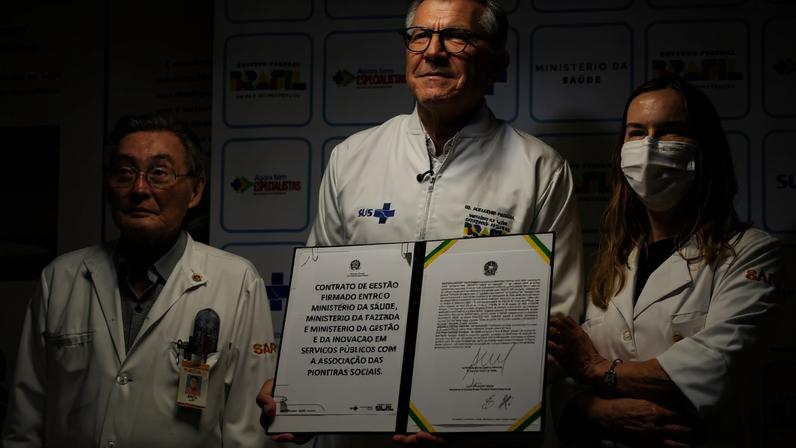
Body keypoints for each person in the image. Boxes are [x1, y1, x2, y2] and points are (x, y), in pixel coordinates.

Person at [258, 0, 584, 446]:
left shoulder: (539, 170)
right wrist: (304, 393)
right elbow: (323, 306)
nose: (433, 51)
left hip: (477, 435)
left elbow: (557, 323)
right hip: (360, 435)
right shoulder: (352, 157)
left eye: (457, 36)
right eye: (419, 35)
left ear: (496, 61)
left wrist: (457, 416)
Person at [2, 114, 278, 447]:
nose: (140, 189)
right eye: (125, 173)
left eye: (159, 173)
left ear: (195, 190)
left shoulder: (237, 282)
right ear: (108, 186)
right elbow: (25, 423)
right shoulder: (60, 279)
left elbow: (248, 432)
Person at [547, 76, 782, 447]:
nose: (650, 145)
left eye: (671, 131)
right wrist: (603, 414)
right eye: (636, 132)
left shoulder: (750, 252)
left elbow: (713, 370)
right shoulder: (614, 260)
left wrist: (596, 368)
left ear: (705, 148)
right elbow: (564, 388)